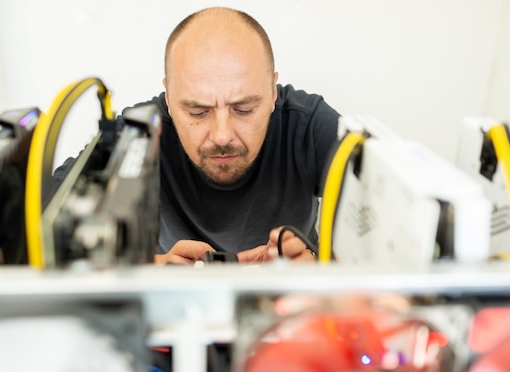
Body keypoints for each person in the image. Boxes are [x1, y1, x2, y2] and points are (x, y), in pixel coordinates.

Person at [56, 7, 341, 265]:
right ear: (168, 99)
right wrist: (152, 267)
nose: (221, 135)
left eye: (243, 108)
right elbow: (42, 216)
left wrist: (318, 266)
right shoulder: (141, 131)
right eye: (197, 111)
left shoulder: (308, 124)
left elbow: (379, 227)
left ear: (272, 92)